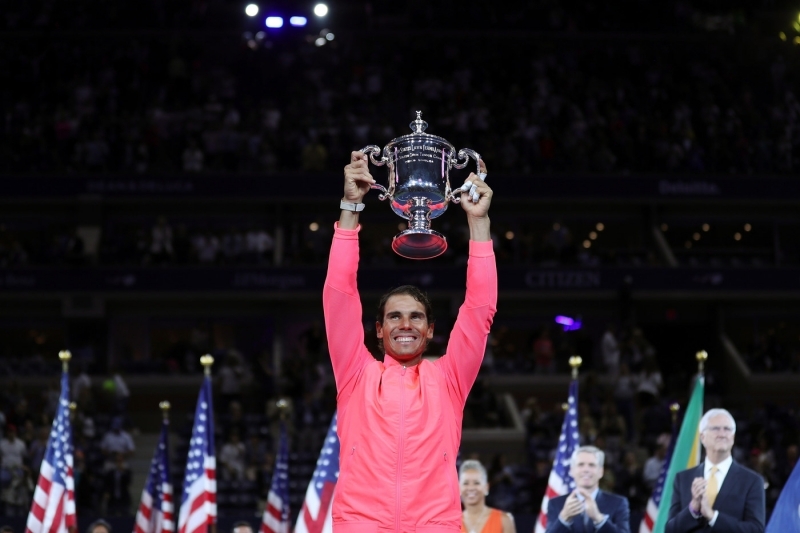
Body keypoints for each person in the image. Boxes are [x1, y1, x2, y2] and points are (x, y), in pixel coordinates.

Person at [324, 151, 496, 533]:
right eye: (394, 317)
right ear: (378, 329)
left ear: (430, 330)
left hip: (434, 524)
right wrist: (351, 207)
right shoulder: (355, 375)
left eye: (416, 316)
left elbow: (479, 310)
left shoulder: (449, 380)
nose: (405, 325)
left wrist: (478, 222)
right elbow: (339, 295)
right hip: (361, 524)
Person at [666, 408, 765, 533]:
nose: (722, 434)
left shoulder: (752, 481)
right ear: (702, 437)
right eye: (715, 429)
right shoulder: (683, 479)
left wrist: (713, 517)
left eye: (727, 429)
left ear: (733, 437)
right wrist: (693, 509)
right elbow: (670, 530)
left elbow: (756, 530)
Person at [545, 446, 630, 533]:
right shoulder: (555, 504)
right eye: (581, 464)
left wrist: (599, 519)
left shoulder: (618, 503)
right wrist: (564, 517)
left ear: (601, 472)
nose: (586, 469)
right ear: (571, 471)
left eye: (592, 465)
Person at [459, 460, 515, 533]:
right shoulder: (450, 523)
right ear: (459, 488)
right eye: (466, 483)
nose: (471, 488)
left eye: (476, 483)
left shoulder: (504, 520)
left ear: (486, 487)